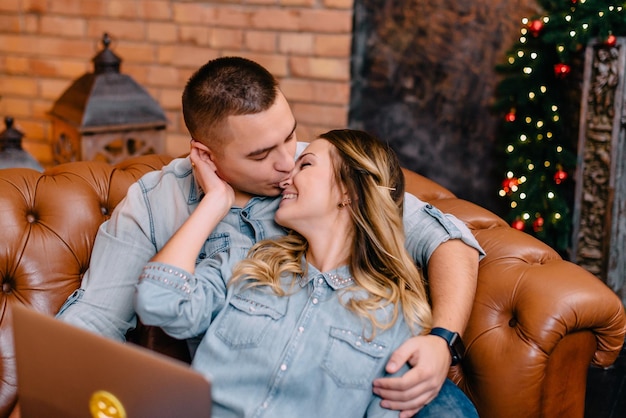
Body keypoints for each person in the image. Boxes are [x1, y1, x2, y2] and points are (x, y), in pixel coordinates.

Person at [56, 56, 483, 417]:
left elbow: (448, 240)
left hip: (334, 387)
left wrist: (441, 341)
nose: (287, 165)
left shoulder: (328, 177)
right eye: (261, 154)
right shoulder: (157, 202)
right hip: (226, 390)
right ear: (206, 154)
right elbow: (97, 317)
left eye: (291, 137)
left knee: (438, 405)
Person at [134, 129, 478, 417]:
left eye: (306, 164)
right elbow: (158, 301)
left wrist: (442, 342)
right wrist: (214, 201)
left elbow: (452, 238)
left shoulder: (397, 318)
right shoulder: (246, 264)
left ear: (349, 191)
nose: (287, 177)